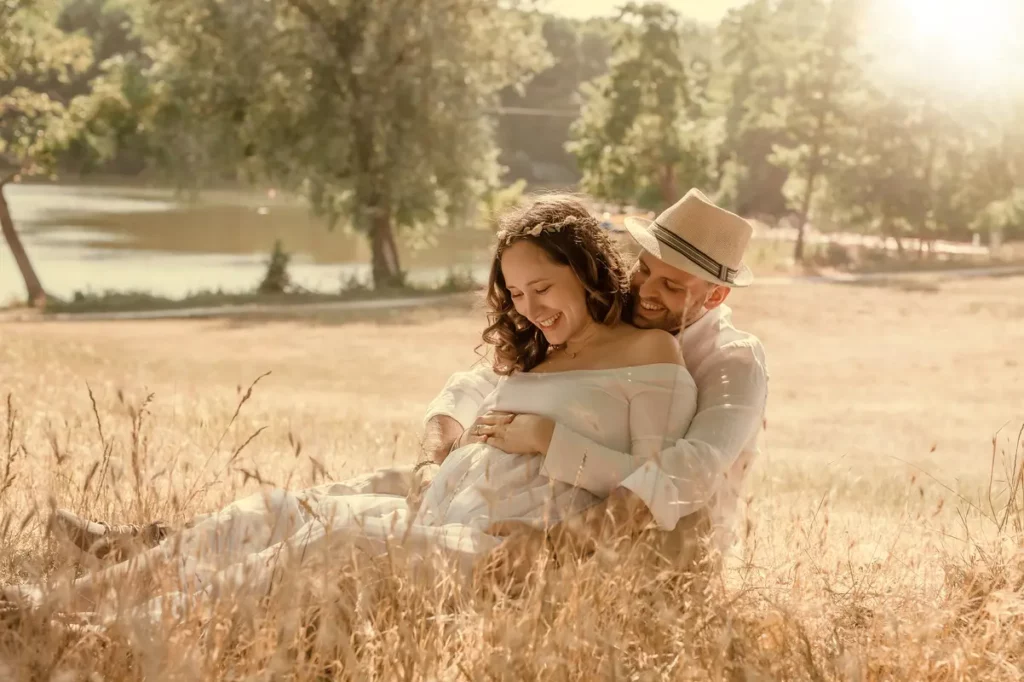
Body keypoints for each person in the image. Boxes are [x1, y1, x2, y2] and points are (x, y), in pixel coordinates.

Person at [8, 195, 698, 622]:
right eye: (517, 296)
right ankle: (52, 606)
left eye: (542, 287)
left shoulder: (652, 357)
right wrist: (443, 464)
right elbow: (468, 409)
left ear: (581, 268)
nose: (531, 309)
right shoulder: (538, 354)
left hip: (500, 555)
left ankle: (128, 632)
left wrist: (551, 442)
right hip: (438, 517)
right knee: (271, 513)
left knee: (335, 543)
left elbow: (652, 493)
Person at [421, 187, 769, 565]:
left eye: (671, 286)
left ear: (715, 297)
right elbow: (483, 383)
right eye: (645, 269)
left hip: (668, 552)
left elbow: (687, 472)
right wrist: (443, 458)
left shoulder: (734, 360)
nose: (646, 291)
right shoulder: (622, 318)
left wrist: (554, 542)